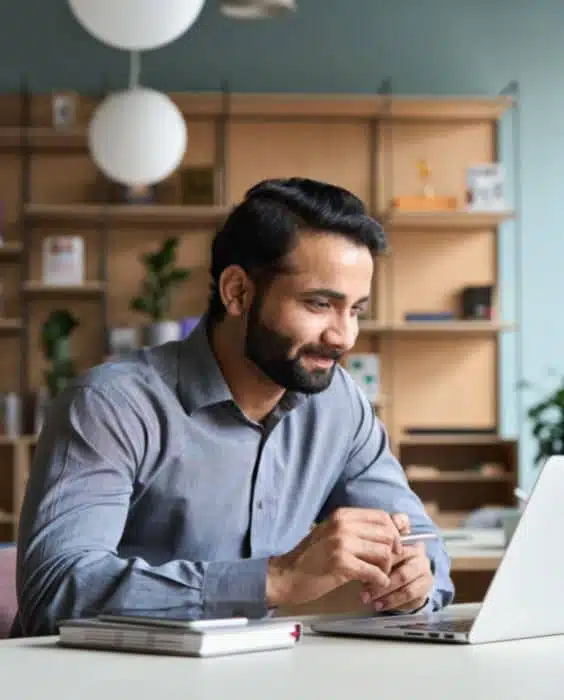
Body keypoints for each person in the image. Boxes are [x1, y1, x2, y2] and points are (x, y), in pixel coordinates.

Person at [13, 177, 454, 637]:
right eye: (320, 304)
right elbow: (55, 592)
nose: (342, 336)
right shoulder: (113, 406)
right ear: (238, 292)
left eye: (356, 311)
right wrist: (276, 580)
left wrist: (415, 584)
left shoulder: (340, 405)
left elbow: (427, 552)